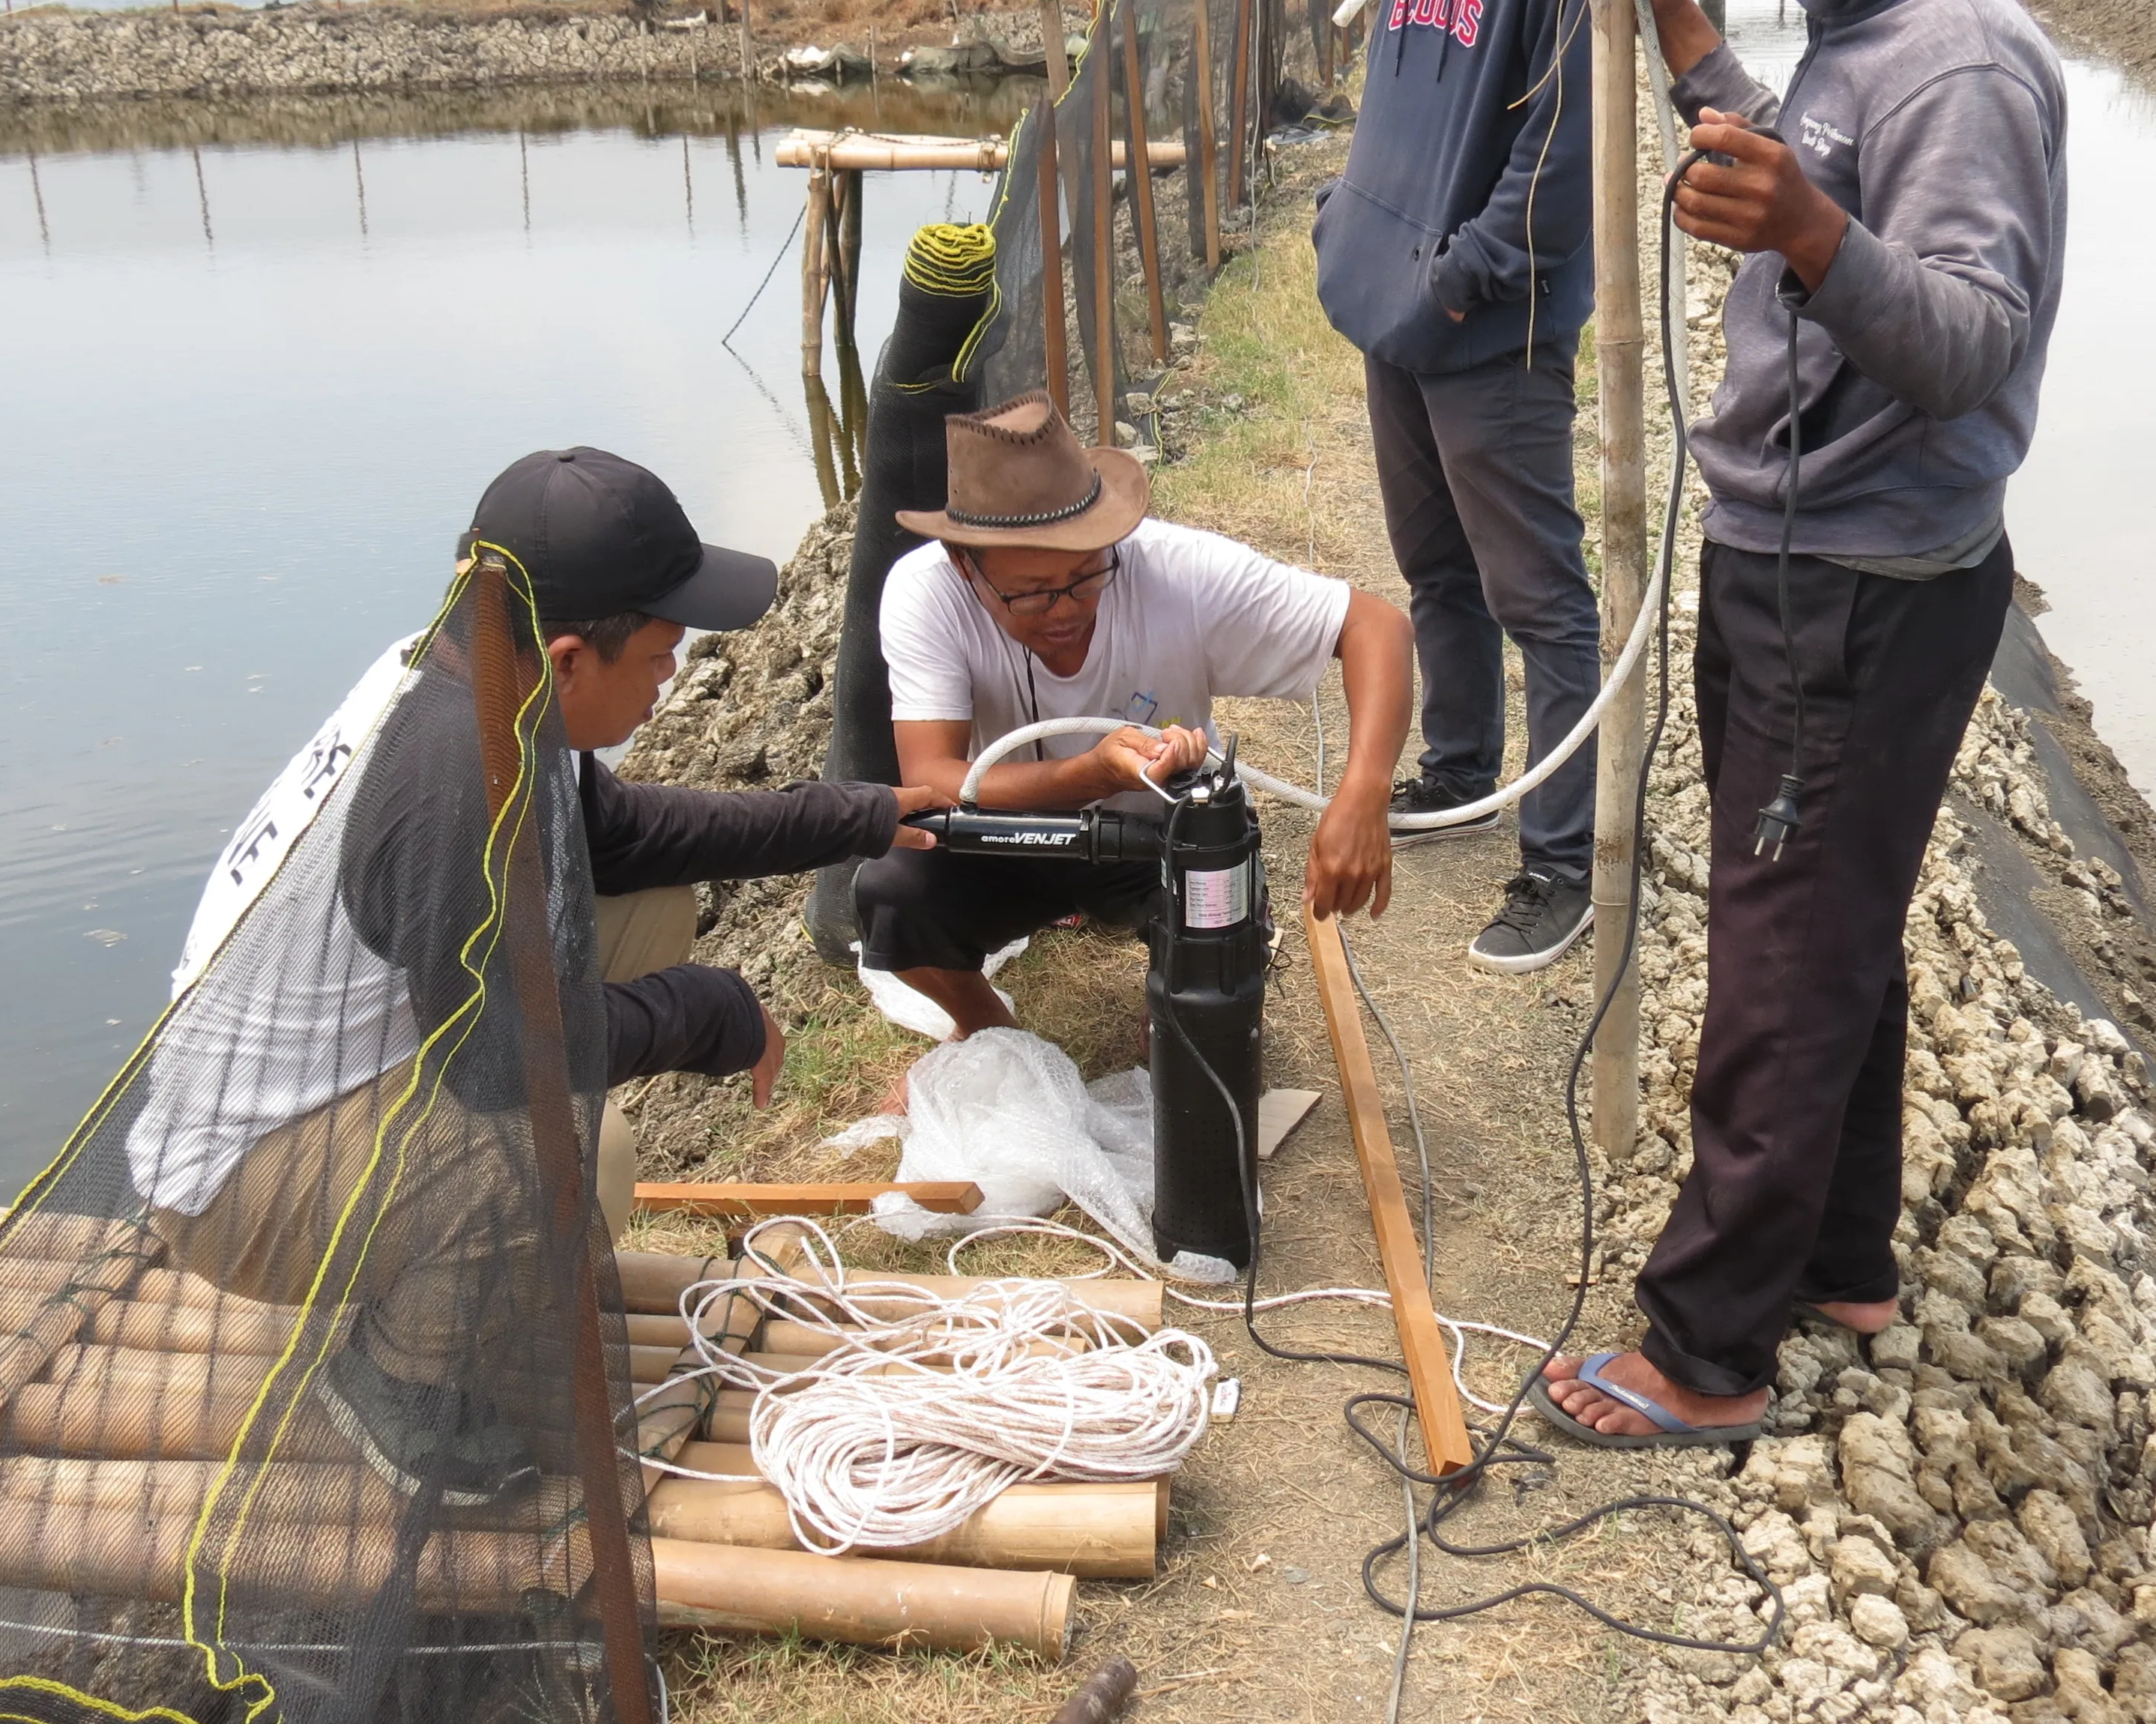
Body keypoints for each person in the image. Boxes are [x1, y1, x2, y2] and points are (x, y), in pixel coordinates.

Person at [1536, 0, 2068, 1445]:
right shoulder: (1872, 20)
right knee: (1834, 924)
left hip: (1853, 588)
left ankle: (1707, 1352)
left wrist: (1813, 236)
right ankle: (1839, 1261)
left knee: (1780, 951)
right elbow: (1810, 151)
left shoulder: (1963, 64)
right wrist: (1686, 41)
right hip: (1808, 557)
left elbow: (1974, 335)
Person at [129, 446, 941, 1500]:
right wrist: (709, 1013)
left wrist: (859, 813)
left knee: (650, 912)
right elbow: (500, 1064)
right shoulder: (452, 778)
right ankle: (392, 1383)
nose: (673, 680)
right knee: (574, 1152)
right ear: (567, 659)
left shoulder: (480, 678)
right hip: (239, 1185)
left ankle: (449, 1266)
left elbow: (628, 836)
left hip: (350, 1080)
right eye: (660, 659)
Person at [1274, 0, 1603, 976]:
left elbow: (1563, 147)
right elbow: (1401, 91)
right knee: (1434, 566)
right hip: (1396, 301)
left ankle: (1564, 865)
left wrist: (1465, 274)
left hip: (1487, 326)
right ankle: (1464, 766)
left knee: (1543, 600)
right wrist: (1346, 217)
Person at [854, 394, 1414, 1037]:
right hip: (1002, 834)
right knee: (892, 894)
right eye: (1031, 593)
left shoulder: (1175, 571)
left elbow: (1377, 626)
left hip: (1162, 836)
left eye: (1087, 576)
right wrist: (1092, 776)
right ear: (965, 566)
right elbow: (929, 777)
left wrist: (1363, 795)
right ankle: (983, 1026)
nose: (1065, 609)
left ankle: (1184, 1008)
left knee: (1203, 1028)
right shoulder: (925, 591)